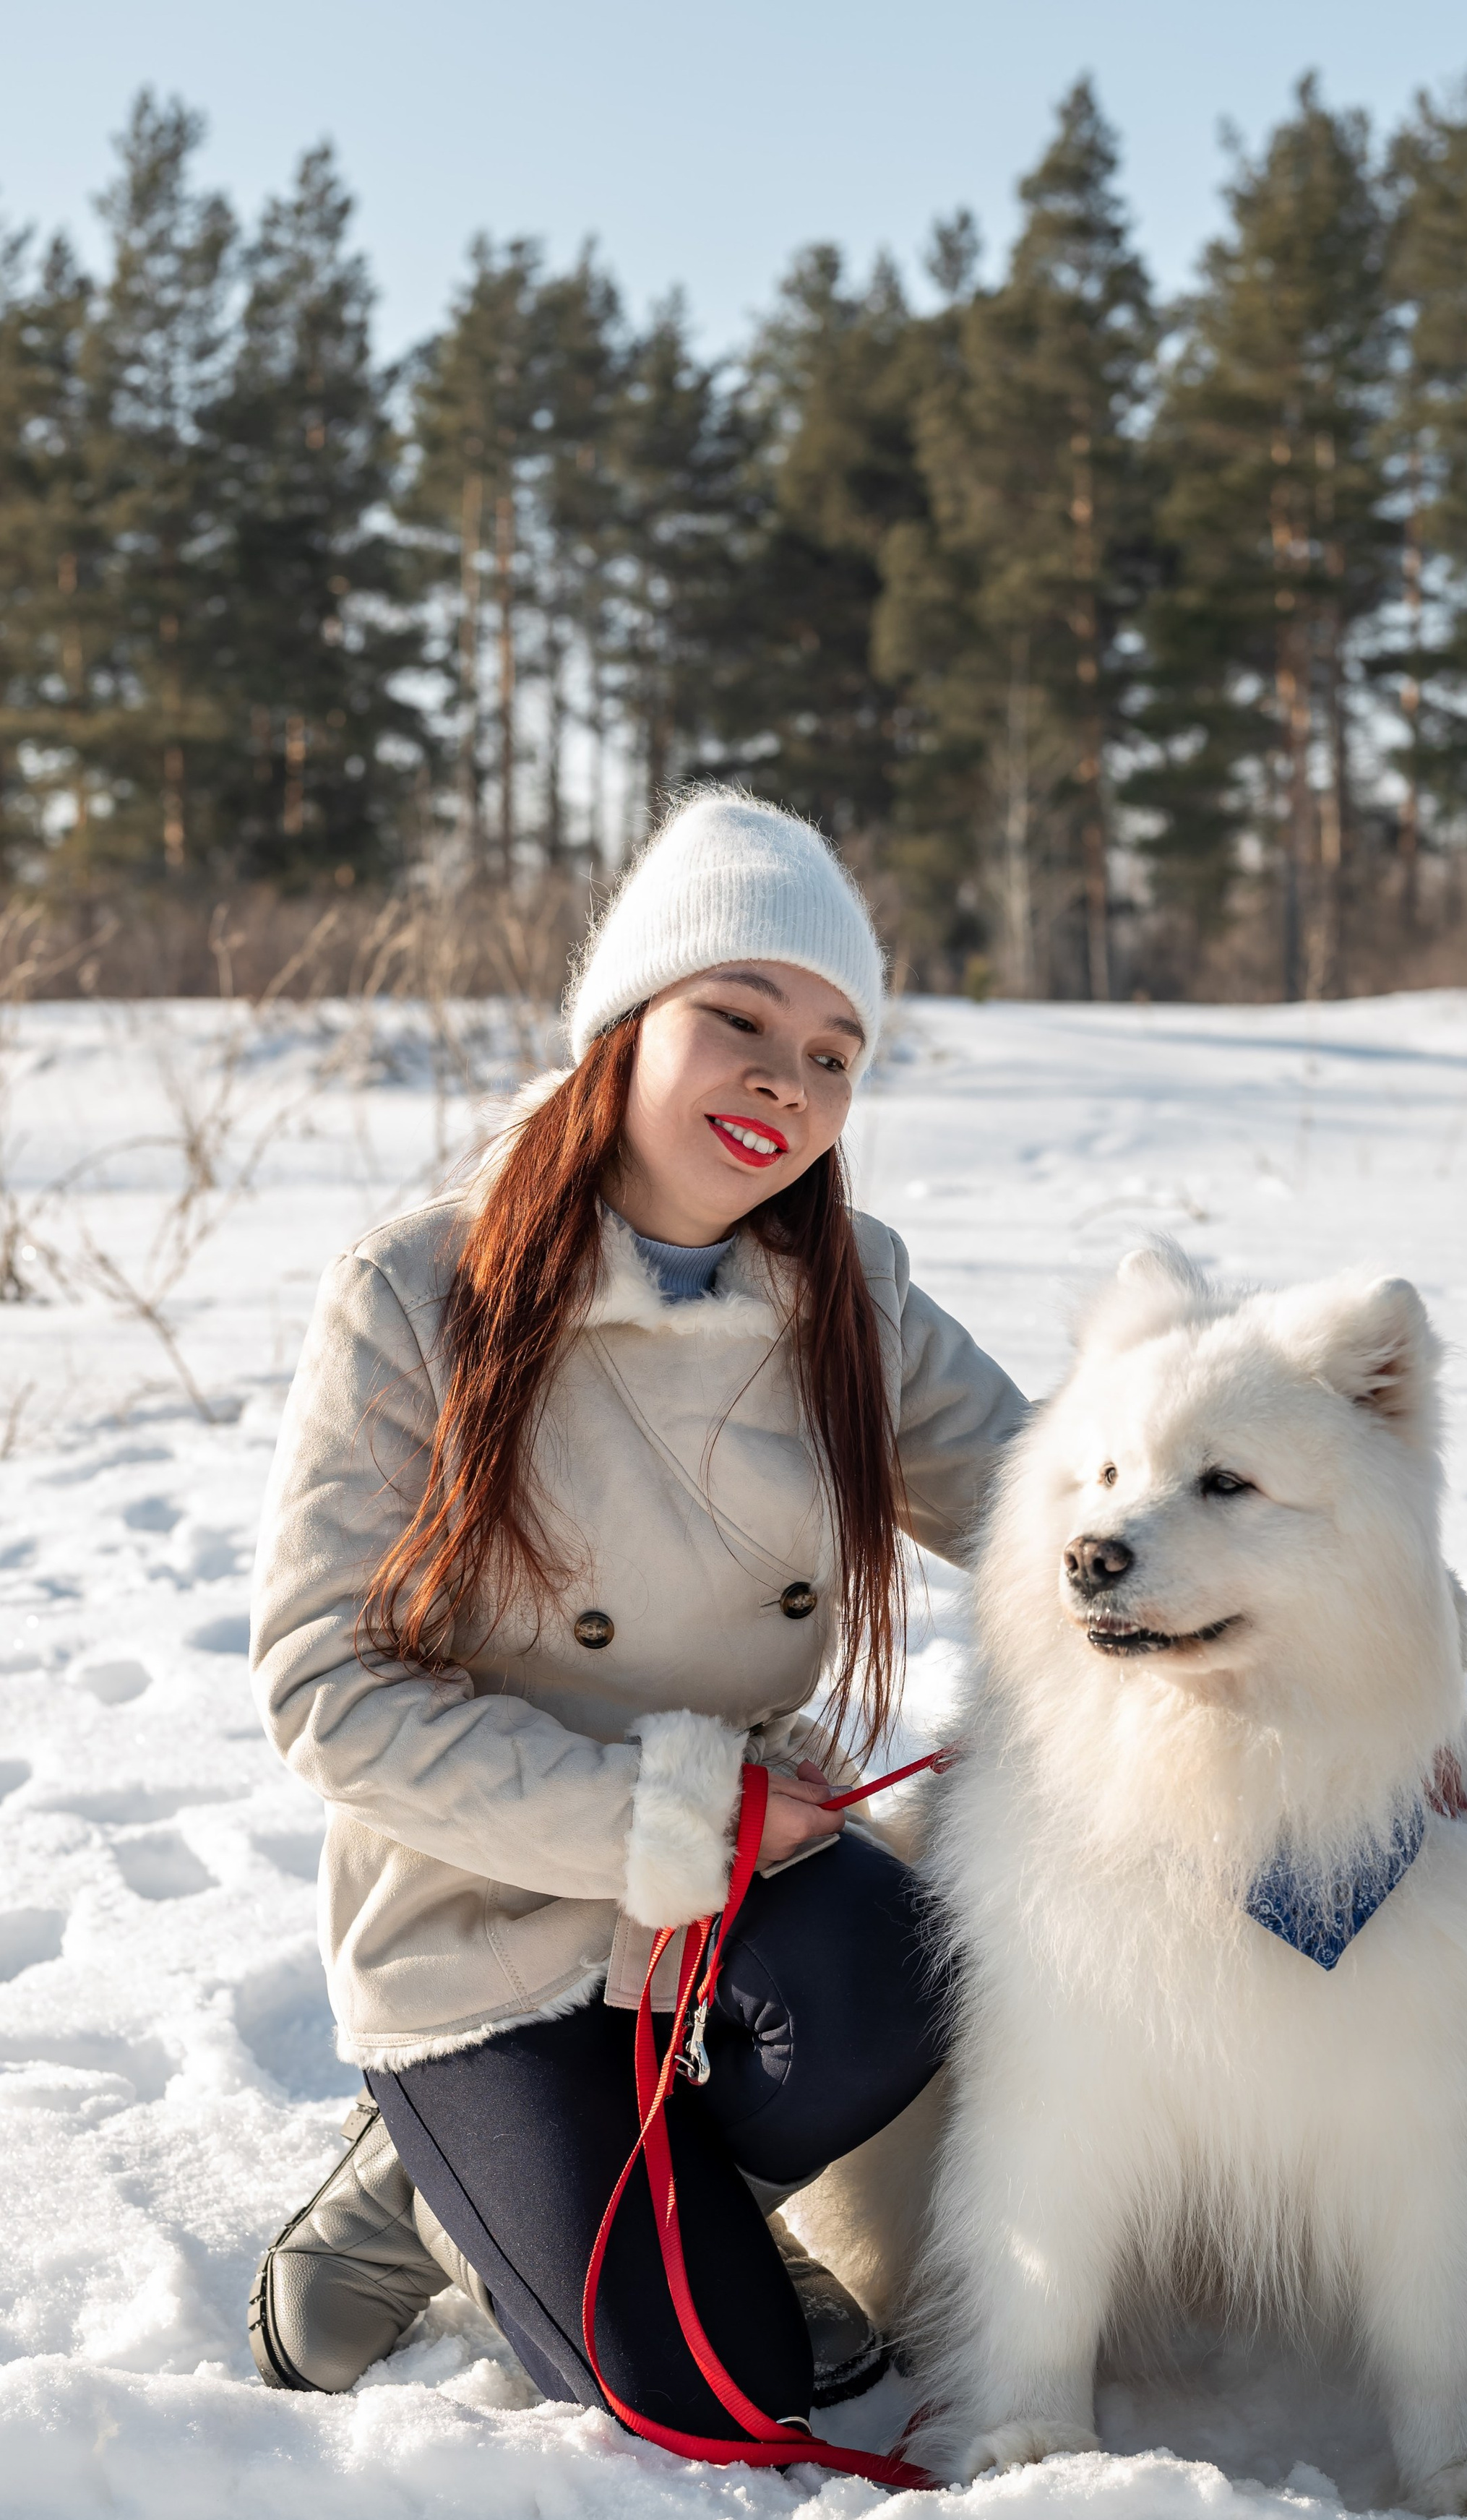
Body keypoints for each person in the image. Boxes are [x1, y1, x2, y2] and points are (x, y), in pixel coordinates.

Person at [244, 792, 1026, 2432]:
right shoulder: (415, 1293)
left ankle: (658, 2168)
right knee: (716, 2389)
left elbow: (1053, 1502)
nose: (784, 1083)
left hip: (740, 1899)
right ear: (622, 1028)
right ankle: (426, 2165)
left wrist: (1307, 1567)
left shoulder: (851, 1294)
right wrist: (668, 1817)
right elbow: (325, 1685)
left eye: (831, 1053)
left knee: (917, 1966)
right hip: (486, 1910)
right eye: (735, 1019)